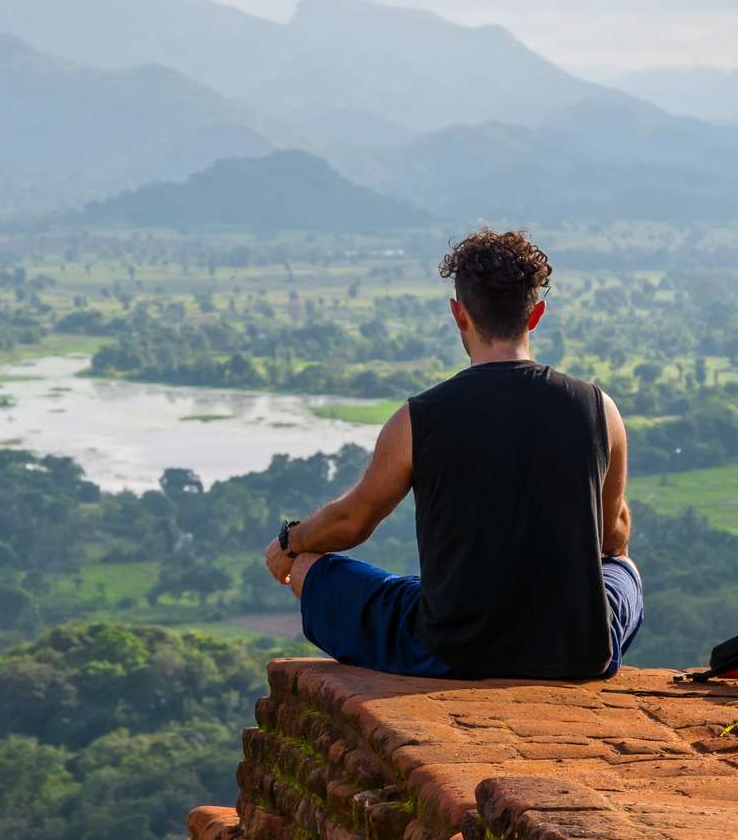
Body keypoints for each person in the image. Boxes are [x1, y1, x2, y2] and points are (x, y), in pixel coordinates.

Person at [262, 229, 642, 679]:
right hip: (577, 650)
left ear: (459, 314)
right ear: (535, 314)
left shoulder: (418, 419)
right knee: (624, 572)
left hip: (453, 649)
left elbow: (351, 522)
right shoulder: (599, 408)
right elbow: (611, 539)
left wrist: (291, 543)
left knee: (309, 571)